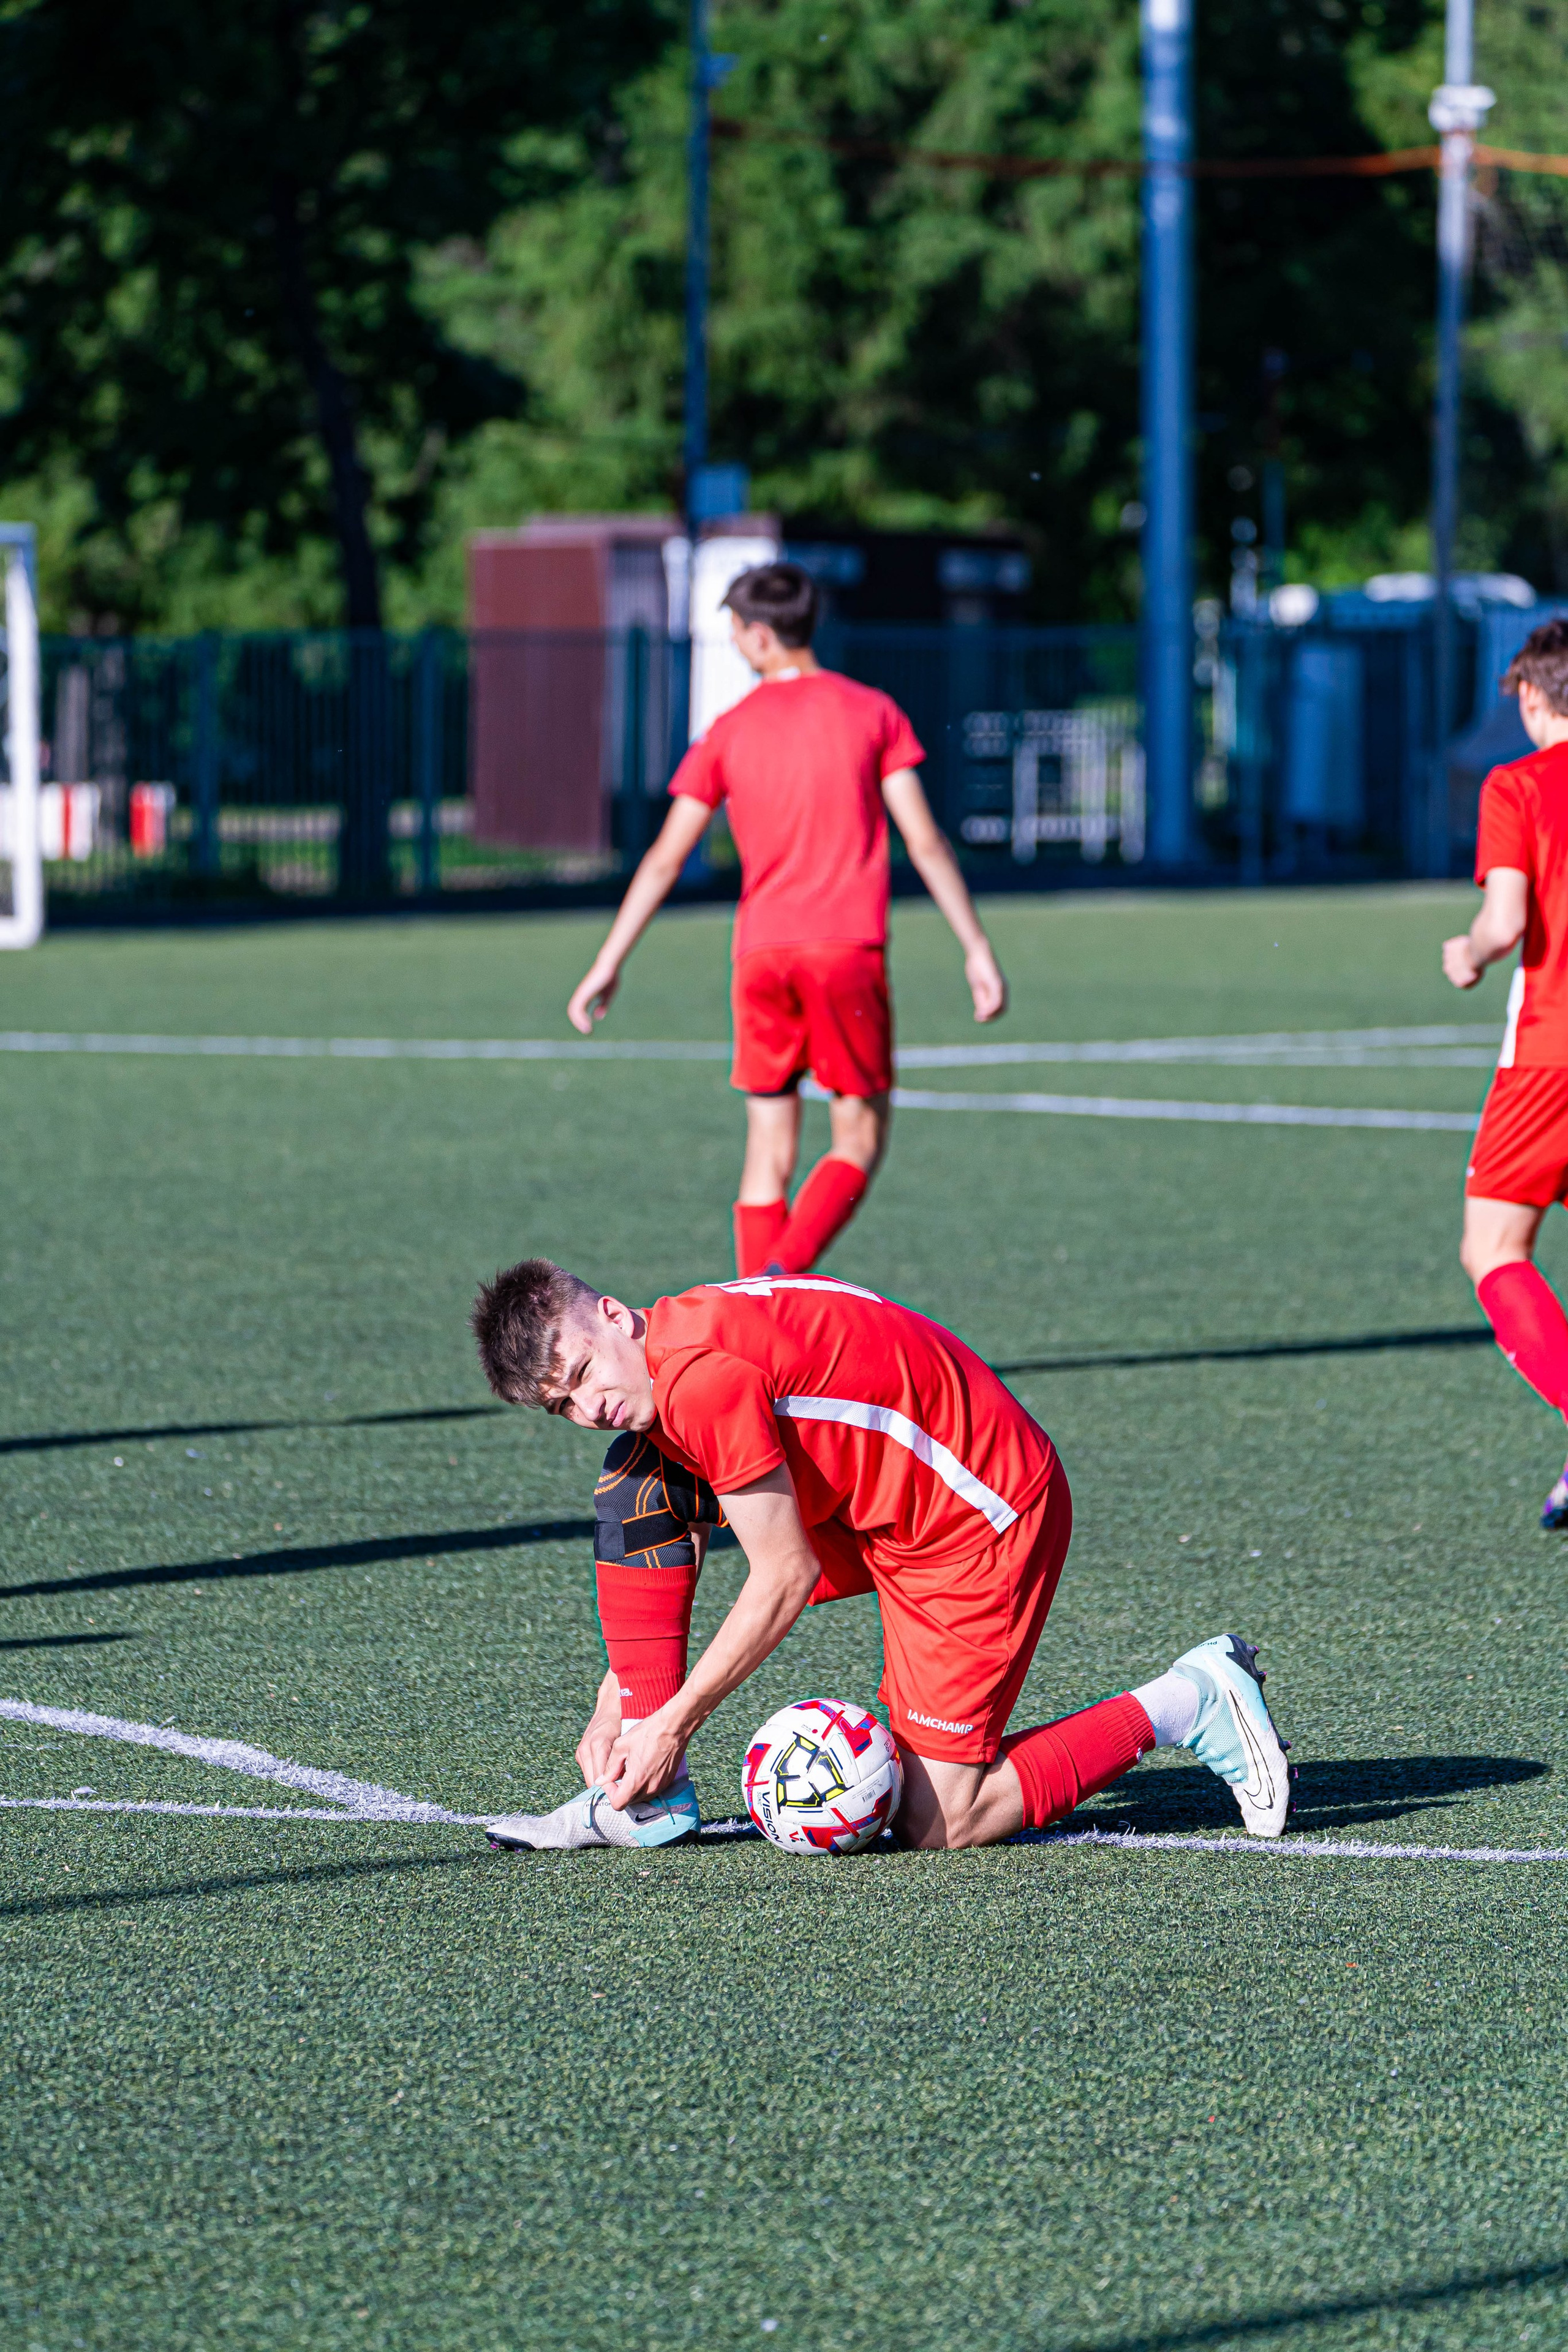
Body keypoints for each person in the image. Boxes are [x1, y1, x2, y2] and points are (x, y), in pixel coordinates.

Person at [470, 1258, 1294, 1853]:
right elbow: (675, 1538)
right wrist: (623, 1700)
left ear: (612, 1315)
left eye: (581, 1376)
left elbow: (784, 1575)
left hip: (975, 1515)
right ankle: (653, 1800)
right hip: (882, 1500)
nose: (590, 1408)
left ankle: (1192, 1699)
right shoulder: (673, 1336)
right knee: (638, 1487)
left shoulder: (701, 1383)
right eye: (562, 1407)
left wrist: (674, 1720)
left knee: (943, 1821)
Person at [565, 561, 1009, 1278]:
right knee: (857, 1139)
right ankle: (779, 1279)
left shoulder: (729, 730)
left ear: (761, 634)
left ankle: (754, 1314)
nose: (737, 646)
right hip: (845, 951)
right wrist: (976, 948)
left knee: (766, 1153)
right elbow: (923, 840)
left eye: (737, 633)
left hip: (760, 957)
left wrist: (608, 961)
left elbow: (663, 858)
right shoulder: (872, 712)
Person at [1444, 616, 1568, 1527]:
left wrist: (1469, 951)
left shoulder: (1518, 784)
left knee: (1494, 1248)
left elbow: (1505, 916)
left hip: (1551, 1057)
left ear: (1531, 695)